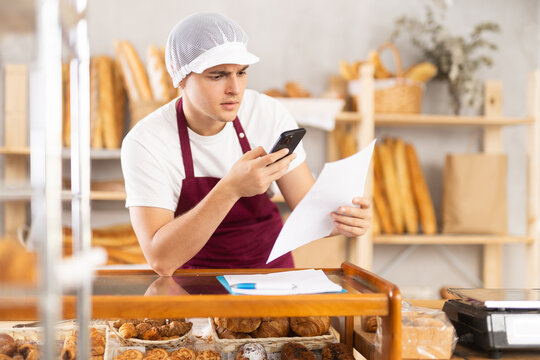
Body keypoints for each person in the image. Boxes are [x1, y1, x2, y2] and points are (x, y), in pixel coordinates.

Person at [121, 12, 372, 276]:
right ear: (180, 76)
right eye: (217, 76)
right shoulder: (146, 142)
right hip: (196, 287)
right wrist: (230, 189)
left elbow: (310, 214)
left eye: (241, 73)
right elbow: (161, 259)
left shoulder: (266, 114)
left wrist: (345, 220)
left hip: (273, 278)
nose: (235, 88)